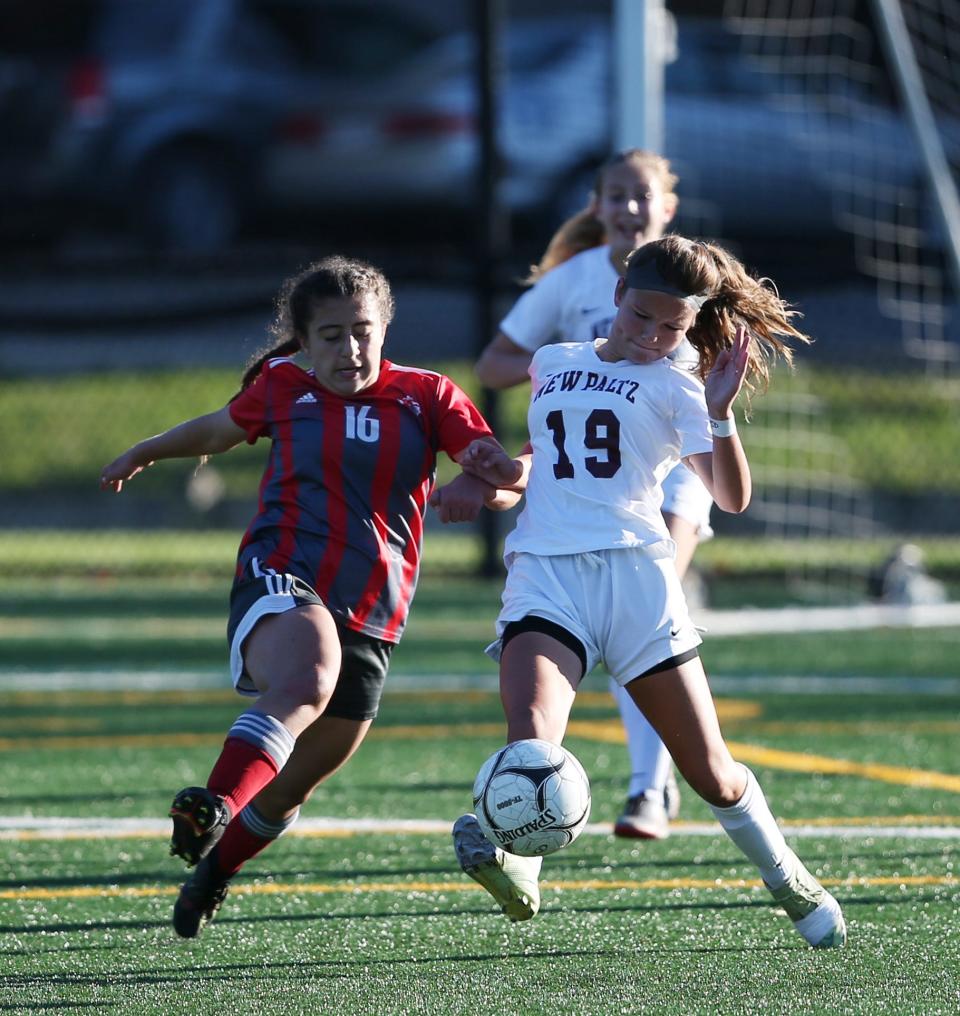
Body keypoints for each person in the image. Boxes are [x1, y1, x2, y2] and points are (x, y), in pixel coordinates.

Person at [448, 235, 847, 948]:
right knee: (532, 741)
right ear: (616, 299)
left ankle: (788, 876)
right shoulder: (553, 363)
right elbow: (548, 466)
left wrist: (720, 414)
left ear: (690, 325)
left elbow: (731, 497)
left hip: (637, 584)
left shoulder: (679, 386)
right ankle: (520, 869)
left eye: (672, 327)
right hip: (548, 576)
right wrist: (498, 471)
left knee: (713, 776)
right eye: (641, 318)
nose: (652, 336)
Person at [100, 255, 515, 939]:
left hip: (376, 611)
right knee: (309, 675)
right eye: (331, 334)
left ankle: (214, 870)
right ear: (303, 339)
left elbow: (498, 469)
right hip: (282, 572)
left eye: (362, 331)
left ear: (384, 329)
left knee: (293, 785)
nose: (349, 348)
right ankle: (213, 801)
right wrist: (147, 449)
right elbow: (216, 430)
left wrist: (486, 483)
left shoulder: (428, 396)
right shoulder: (283, 386)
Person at [475, 149, 713, 839]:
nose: (629, 207)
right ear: (596, 205)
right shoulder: (574, 281)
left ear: (667, 207)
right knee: (604, 624)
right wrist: (578, 368)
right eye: (617, 195)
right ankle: (534, 807)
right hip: (589, 478)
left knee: (638, 616)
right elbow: (494, 361)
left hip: (667, 469)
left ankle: (648, 787)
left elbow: (715, 374)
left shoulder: (691, 278)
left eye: (643, 196)